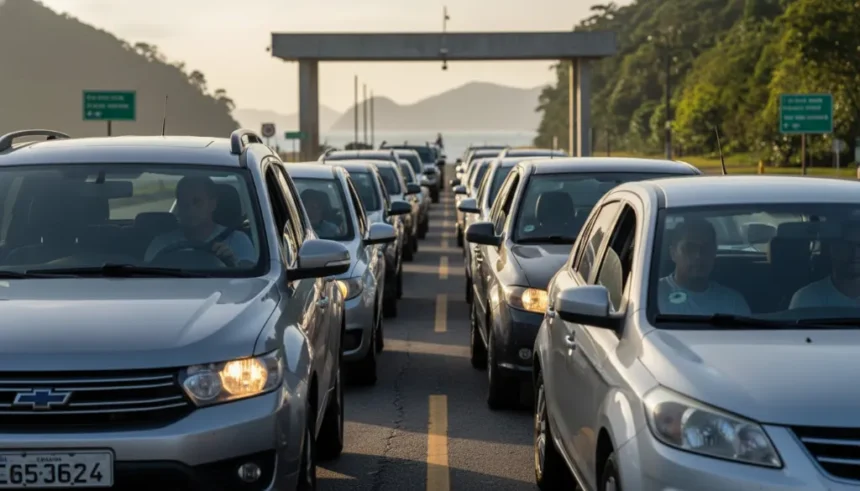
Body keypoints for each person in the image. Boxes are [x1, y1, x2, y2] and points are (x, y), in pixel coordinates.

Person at [144, 176, 255, 266]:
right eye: (184, 203)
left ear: (213, 204)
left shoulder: (237, 241)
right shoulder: (161, 244)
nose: (190, 209)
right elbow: (146, 280)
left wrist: (233, 263)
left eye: (197, 202)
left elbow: (253, 283)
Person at [657, 218, 750, 315]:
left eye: (706, 248)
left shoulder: (733, 302)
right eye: (690, 248)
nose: (698, 255)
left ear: (714, 253)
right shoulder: (652, 295)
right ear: (673, 253)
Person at [790, 220, 860, 308]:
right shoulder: (806, 297)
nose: (855, 253)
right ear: (831, 249)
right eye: (847, 245)